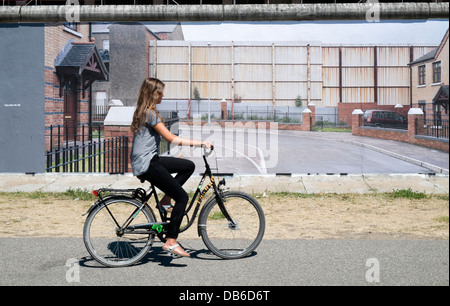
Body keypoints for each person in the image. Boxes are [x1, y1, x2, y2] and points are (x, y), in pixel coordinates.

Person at [130, 77, 211, 258]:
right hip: (148, 163)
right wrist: (200, 143)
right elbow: (170, 138)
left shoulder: (146, 111)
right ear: (152, 94)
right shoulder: (149, 113)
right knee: (182, 198)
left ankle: (166, 201)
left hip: (150, 159)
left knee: (187, 166)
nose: (163, 95)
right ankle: (171, 241)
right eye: (160, 92)